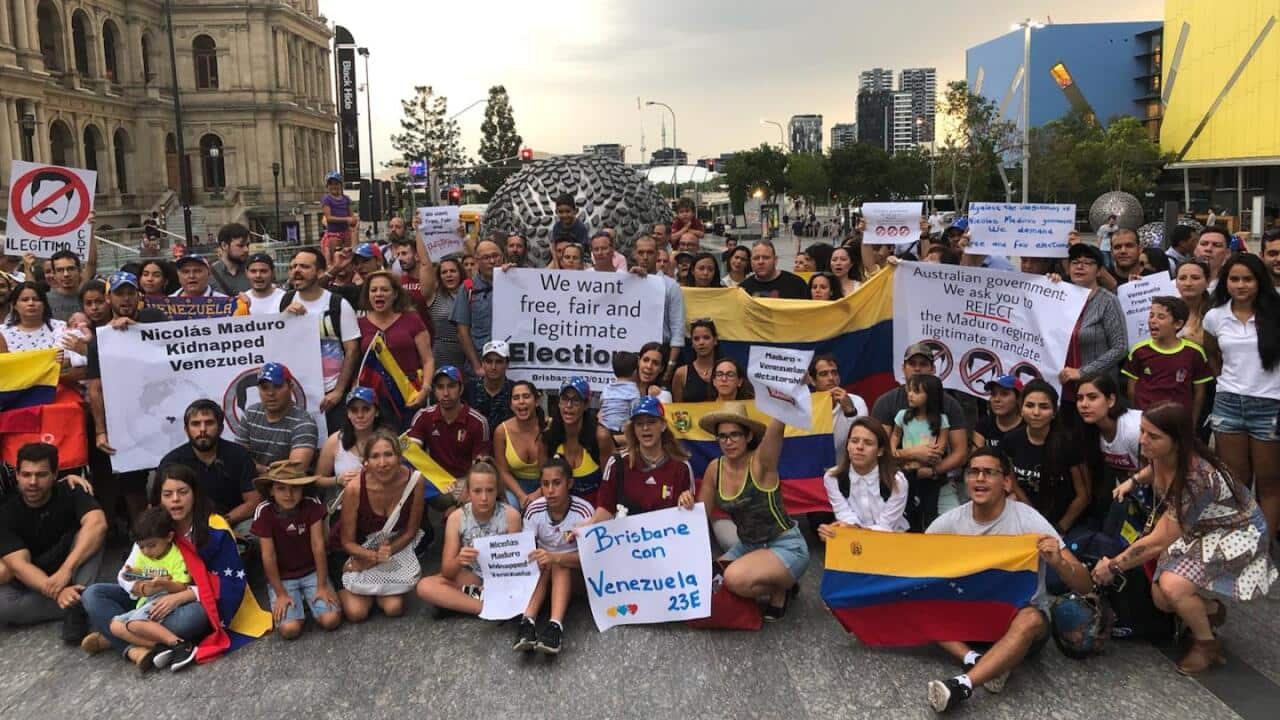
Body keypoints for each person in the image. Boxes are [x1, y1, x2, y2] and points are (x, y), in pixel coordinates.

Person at [1101, 403, 1277, 673]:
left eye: (1153, 436)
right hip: (1197, 527)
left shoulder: (1197, 478)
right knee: (1161, 596)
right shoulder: (1162, 452)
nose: (1142, 440)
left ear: (1178, 441)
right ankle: (1211, 610)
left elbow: (1158, 541)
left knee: (1172, 586)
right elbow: (1154, 468)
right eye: (1142, 431)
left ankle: (1206, 644)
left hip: (1236, 533)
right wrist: (1134, 481)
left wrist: (1113, 566)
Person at [924, 447, 1093, 713]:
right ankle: (977, 660)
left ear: (1006, 482)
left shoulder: (1029, 520)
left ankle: (962, 684)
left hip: (1017, 624)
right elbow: (910, 564)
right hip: (969, 621)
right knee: (919, 602)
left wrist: (1059, 563)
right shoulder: (949, 522)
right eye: (973, 472)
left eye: (988, 473)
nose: (979, 478)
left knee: (1033, 619)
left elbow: (1085, 585)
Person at [80, 464, 268, 669]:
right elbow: (125, 575)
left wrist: (181, 596)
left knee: (196, 617)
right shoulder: (153, 526)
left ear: (194, 494)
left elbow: (229, 584)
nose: (175, 499)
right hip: (148, 599)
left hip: (193, 602)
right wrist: (141, 587)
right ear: (159, 498)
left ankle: (120, 640)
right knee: (93, 594)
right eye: (167, 494)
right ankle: (147, 645)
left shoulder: (214, 529)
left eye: (182, 492)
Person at [688, 402, 808, 620]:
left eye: (735, 435)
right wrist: (684, 501)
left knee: (733, 579)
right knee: (707, 579)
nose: (729, 441)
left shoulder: (762, 462)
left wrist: (787, 394)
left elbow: (776, 430)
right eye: (722, 436)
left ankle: (780, 589)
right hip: (748, 546)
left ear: (749, 436)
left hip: (786, 545)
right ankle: (772, 580)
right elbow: (700, 514)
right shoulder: (715, 468)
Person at [1201, 253, 1280, 534]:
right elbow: (1212, 355)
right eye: (1234, 279)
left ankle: (1263, 548)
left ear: (1260, 282)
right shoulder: (1214, 316)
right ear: (1226, 282)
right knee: (1236, 482)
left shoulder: (1275, 312)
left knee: (1269, 483)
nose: (1241, 285)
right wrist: (1224, 378)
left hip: (1269, 405)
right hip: (1229, 403)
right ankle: (1239, 544)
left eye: (1248, 279)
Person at [0, 443, 105, 643]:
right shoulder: (6, 512)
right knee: (3, 605)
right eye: (26, 475)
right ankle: (80, 603)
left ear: (55, 474)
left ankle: (80, 602)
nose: (32, 482)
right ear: (17, 476)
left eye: (41, 475)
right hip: (37, 576)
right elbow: (19, 566)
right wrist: (58, 592)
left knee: (93, 535)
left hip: (73, 564)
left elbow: (97, 523)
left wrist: (66, 570)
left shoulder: (72, 489)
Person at [334, 429, 425, 622]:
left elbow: (411, 531)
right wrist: (371, 557)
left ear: (399, 457)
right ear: (366, 462)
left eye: (388, 454)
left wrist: (383, 555)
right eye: (375, 456)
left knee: (394, 608)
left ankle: (375, 590)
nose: (382, 463)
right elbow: (347, 541)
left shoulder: (415, 481)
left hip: (393, 547)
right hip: (357, 552)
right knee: (357, 613)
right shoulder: (355, 489)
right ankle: (342, 587)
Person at [415, 458, 522, 616]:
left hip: (504, 578)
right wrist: (459, 559)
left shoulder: (511, 515)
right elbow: (447, 572)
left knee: (526, 586)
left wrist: (500, 583)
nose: (484, 498)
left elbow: (517, 564)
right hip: (474, 577)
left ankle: (468, 601)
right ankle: (486, 607)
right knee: (425, 586)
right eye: (477, 491)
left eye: (490, 490)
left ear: (497, 490)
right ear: (468, 492)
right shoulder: (457, 518)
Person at [251, 461, 342, 640]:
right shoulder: (264, 511)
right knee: (290, 630)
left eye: (295, 488)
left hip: (312, 572)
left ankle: (310, 599)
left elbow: (318, 546)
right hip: (283, 577)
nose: (289, 494)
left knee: (331, 620)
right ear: (271, 490)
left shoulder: (311, 505)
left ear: (303, 488)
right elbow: (268, 556)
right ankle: (296, 602)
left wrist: (322, 585)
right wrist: (281, 594)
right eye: (281, 488)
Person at [514, 458, 593, 655]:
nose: (550, 490)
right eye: (545, 484)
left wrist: (556, 558)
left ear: (569, 484)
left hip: (575, 575)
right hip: (543, 576)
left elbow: (592, 560)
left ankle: (555, 626)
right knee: (542, 561)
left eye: (556, 483)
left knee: (558, 563)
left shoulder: (584, 512)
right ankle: (527, 622)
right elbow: (526, 552)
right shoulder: (534, 510)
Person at [107, 507, 199, 672]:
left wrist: (164, 584)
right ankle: (162, 647)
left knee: (134, 624)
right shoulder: (143, 555)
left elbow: (182, 585)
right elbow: (137, 573)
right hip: (146, 601)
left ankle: (181, 646)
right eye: (142, 547)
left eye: (151, 546)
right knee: (115, 625)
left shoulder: (177, 556)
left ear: (169, 537)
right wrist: (131, 575)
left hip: (166, 597)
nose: (146, 551)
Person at [872, 343, 970, 494]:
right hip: (894, 479)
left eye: (923, 364)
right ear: (903, 368)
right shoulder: (885, 402)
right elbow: (878, 448)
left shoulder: (950, 404)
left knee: (951, 516)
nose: (917, 369)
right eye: (912, 364)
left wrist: (933, 471)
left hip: (938, 481)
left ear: (933, 369)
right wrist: (913, 453)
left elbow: (961, 453)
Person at [282, 248, 361, 431]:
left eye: (304, 266)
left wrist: (339, 391)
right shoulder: (285, 301)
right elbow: (279, 343)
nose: (296, 271)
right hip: (298, 393)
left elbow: (352, 350)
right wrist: (283, 316)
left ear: (319, 272)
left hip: (331, 394)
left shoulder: (338, 304)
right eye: (293, 266)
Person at [158, 400, 259, 535]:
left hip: (233, 522)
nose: (202, 429)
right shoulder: (172, 461)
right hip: (186, 526)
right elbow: (161, 506)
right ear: (186, 429)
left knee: (256, 531)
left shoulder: (239, 455)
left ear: (221, 428)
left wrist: (223, 522)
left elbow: (253, 501)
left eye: (209, 423)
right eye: (195, 424)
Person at [1003, 380, 1091, 534]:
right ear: (1021, 409)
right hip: (1027, 518)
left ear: (1054, 411)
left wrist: (1059, 529)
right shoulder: (1011, 440)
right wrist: (1033, 520)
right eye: (1030, 405)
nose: (1036, 412)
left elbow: (1084, 495)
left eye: (1043, 407)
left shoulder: (1069, 443)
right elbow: (1013, 484)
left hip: (1066, 524)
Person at [591, 398, 695, 521]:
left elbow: (688, 516)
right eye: (639, 424)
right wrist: (584, 529)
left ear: (663, 426)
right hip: (628, 536)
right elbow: (605, 509)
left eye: (651, 422)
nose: (645, 428)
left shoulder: (681, 466)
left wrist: (686, 501)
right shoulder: (617, 463)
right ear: (633, 429)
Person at [1059, 243, 1128, 414]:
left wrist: (1082, 372)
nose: (1080, 266)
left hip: (1096, 390)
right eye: (1075, 262)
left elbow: (1120, 348)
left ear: (1099, 271)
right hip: (1062, 389)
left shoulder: (1108, 301)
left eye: (1088, 262)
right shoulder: (1059, 296)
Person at [1122, 296, 1211, 417]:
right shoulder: (1139, 351)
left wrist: (1192, 423)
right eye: (1151, 315)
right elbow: (1131, 391)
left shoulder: (1194, 352)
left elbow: (1199, 392)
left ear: (1178, 324)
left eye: (1161, 317)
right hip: (1146, 419)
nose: (1153, 321)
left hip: (1178, 421)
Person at [818, 417, 909, 535]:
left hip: (892, 540)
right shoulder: (832, 477)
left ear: (880, 451)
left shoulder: (897, 481)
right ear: (847, 446)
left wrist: (853, 530)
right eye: (854, 441)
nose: (859, 447)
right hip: (853, 540)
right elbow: (845, 515)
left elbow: (886, 526)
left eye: (868, 443)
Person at [357, 270, 433, 407]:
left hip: (410, 394)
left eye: (384, 289)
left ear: (395, 294)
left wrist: (425, 389)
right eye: (373, 290)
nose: (378, 293)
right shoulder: (359, 324)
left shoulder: (412, 319)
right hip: (373, 399)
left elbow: (428, 360)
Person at [890, 373, 957, 530]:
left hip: (929, 474)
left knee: (929, 511)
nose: (910, 395)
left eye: (916, 391)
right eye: (910, 390)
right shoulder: (902, 415)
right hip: (907, 473)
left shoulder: (941, 419)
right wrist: (893, 451)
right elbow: (895, 435)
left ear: (931, 396)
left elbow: (940, 447)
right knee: (908, 509)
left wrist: (927, 460)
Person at [1076, 373, 1143, 525]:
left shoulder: (1133, 429)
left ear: (1111, 400)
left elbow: (1159, 467)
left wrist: (1134, 480)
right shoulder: (1091, 432)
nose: (1084, 404)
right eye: (1080, 398)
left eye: (1092, 397)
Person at [407, 366, 491, 481]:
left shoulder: (479, 422)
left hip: (466, 481)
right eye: (440, 387)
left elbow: (480, 467)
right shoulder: (423, 416)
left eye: (451, 386)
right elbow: (410, 453)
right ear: (435, 391)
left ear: (461, 389)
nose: (446, 393)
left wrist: (468, 489)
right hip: (434, 480)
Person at [236, 362, 319, 475]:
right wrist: (266, 470)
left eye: (277, 386)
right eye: (264, 388)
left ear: (290, 387)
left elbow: (295, 472)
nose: (270, 393)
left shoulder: (304, 423)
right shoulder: (250, 414)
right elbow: (238, 458)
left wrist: (257, 469)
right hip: (252, 484)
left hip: (288, 488)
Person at [544, 377, 612, 506]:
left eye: (575, 400)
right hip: (559, 511)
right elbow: (543, 484)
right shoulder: (548, 438)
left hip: (595, 512)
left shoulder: (600, 437)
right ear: (559, 403)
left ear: (586, 404)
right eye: (565, 399)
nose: (569, 406)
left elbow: (610, 484)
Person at [0, 281, 87, 376]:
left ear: (44, 304)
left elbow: (76, 360)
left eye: (36, 299)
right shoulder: (2, 332)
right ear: (15, 305)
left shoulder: (61, 328)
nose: (31, 303)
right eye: (25, 300)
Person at [629, 235, 685, 382]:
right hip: (632, 353)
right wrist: (629, 280)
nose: (645, 257)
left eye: (650, 252)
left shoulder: (671, 286)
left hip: (661, 354)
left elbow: (677, 329)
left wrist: (670, 366)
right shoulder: (627, 282)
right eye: (641, 253)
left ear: (657, 254)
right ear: (635, 254)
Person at [316, 386, 389, 497]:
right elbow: (318, 480)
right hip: (343, 507)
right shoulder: (335, 440)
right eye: (354, 410)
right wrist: (337, 480)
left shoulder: (388, 441)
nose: (360, 415)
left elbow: (399, 476)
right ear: (348, 414)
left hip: (381, 505)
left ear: (376, 412)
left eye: (366, 409)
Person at [452, 239, 502, 378]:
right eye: (486, 257)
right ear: (477, 261)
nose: (492, 261)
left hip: (510, 366)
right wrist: (477, 366)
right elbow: (462, 332)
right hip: (480, 366)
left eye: (496, 256)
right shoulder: (468, 288)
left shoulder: (515, 281)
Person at [493, 381, 545, 510]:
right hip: (514, 487)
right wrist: (521, 496)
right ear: (511, 405)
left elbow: (558, 469)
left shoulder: (549, 427)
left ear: (536, 401)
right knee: (510, 508)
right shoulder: (501, 431)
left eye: (526, 396)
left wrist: (539, 493)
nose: (521, 401)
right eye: (516, 398)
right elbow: (503, 472)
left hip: (546, 485)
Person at [809, 354, 868, 467]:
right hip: (814, 471)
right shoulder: (806, 405)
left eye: (834, 373)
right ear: (812, 380)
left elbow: (862, 440)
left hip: (846, 470)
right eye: (823, 374)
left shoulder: (856, 402)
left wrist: (850, 411)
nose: (831, 378)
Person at [463, 339, 516, 435]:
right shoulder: (469, 389)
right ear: (482, 363)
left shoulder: (515, 390)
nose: (493, 367)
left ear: (507, 364)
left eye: (499, 362)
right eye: (489, 361)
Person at [738, 241, 810, 299]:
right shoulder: (742, 289)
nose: (760, 262)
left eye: (766, 257)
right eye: (756, 258)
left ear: (775, 260)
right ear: (751, 262)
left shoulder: (797, 284)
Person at [671, 318, 719, 403]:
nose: (701, 342)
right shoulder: (681, 373)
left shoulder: (725, 370)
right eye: (696, 339)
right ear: (692, 343)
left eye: (706, 338)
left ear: (715, 340)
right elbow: (677, 409)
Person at [599, 351, 641, 445]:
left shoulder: (607, 388)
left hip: (604, 431)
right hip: (622, 433)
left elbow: (602, 406)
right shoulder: (634, 391)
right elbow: (635, 415)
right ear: (635, 372)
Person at [973, 376, 1023, 450]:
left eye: (1004, 394)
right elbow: (976, 458)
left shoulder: (1029, 426)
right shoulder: (983, 424)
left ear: (1018, 398)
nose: (997, 399)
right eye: (993, 394)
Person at [46, 249, 94, 320]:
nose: (66, 274)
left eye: (71, 269)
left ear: (79, 270)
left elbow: (91, 263)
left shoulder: (89, 297)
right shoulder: (45, 300)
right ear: (53, 274)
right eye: (60, 270)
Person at [210, 223, 251, 296]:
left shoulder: (254, 271)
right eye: (240, 245)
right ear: (224, 245)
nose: (246, 249)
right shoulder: (209, 274)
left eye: (247, 245)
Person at [321, 172, 358, 250]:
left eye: (336, 184)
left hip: (346, 232)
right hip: (334, 234)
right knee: (336, 255)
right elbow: (329, 218)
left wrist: (354, 220)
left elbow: (352, 215)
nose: (334, 186)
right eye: (331, 184)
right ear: (327, 186)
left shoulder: (346, 199)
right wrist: (346, 219)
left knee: (348, 255)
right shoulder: (326, 199)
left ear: (341, 185)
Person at [1196, 225, 1232, 291]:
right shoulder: (1174, 286)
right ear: (1195, 249)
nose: (1208, 249)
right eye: (1203, 244)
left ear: (1227, 253)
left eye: (1217, 245)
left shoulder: (1231, 288)